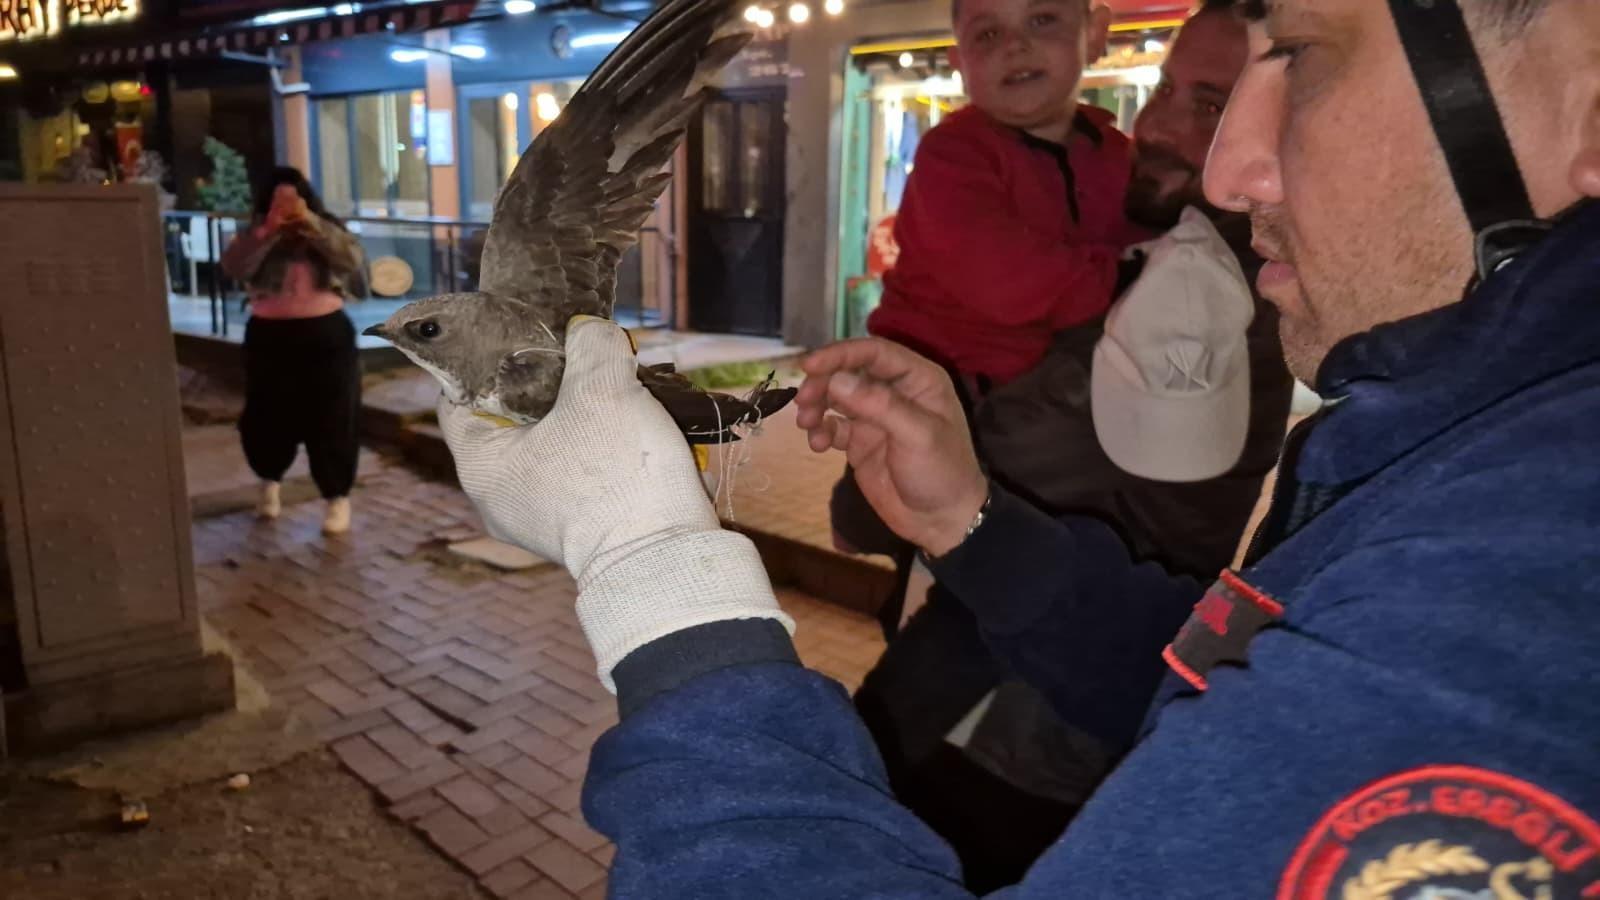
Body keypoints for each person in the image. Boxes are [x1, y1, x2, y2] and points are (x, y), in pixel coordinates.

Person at [438, 0, 1600, 895]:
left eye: (1298, 53)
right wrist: (974, 523)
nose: (1227, 164)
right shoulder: (1458, 444)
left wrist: (650, 570)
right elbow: (1212, 672)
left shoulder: (1529, 567)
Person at [846, 2, 1295, 887]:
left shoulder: (1196, 284)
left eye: (1208, 104)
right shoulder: (981, 159)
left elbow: (988, 473)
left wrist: (871, 492)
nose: (1156, 124)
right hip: (1021, 649)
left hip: (1017, 711)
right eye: (1165, 89)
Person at [830, 0, 1136, 574]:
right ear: (960, 64)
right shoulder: (953, 154)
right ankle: (862, 516)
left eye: (1042, 20)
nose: (1015, 46)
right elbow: (1005, 282)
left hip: (1036, 397)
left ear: (1095, 33)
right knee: (931, 548)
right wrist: (1126, 276)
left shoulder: (1115, 154)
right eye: (987, 34)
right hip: (946, 386)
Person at [221, 167, 366, 536]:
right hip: (269, 334)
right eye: (278, 199)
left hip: (325, 332)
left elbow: (351, 261)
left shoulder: (325, 227)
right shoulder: (255, 232)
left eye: (292, 197)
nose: (286, 205)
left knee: (333, 415)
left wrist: (312, 226)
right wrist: (269, 231)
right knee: (267, 414)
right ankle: (269, 481)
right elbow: (235, 266)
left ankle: (337, 497)